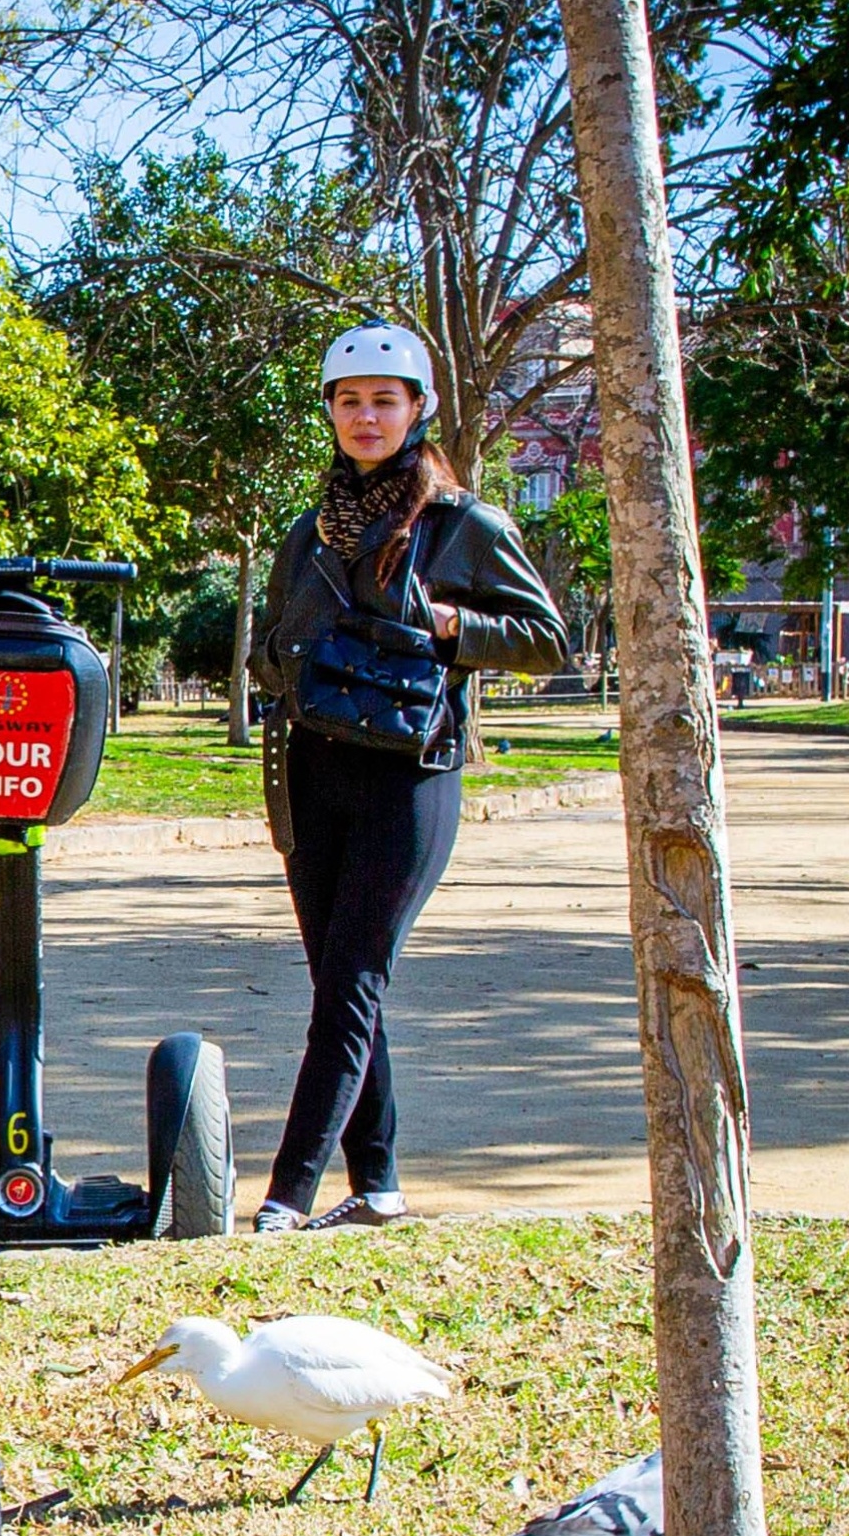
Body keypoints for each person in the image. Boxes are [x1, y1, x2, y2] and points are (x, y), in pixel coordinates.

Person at [248, 319, 567, 1234]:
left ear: (419, 410)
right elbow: (272, 646)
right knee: (347, 987)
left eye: (384, 400)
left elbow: (548, 640)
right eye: (348, 402)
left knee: (352, 983)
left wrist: (449, 628)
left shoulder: (463, 526)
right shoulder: (308, 534)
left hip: (409, 779)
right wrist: (290, 664)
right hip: (312, 775)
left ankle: (284, 1198)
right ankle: (379, 1185)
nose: (365, 416)